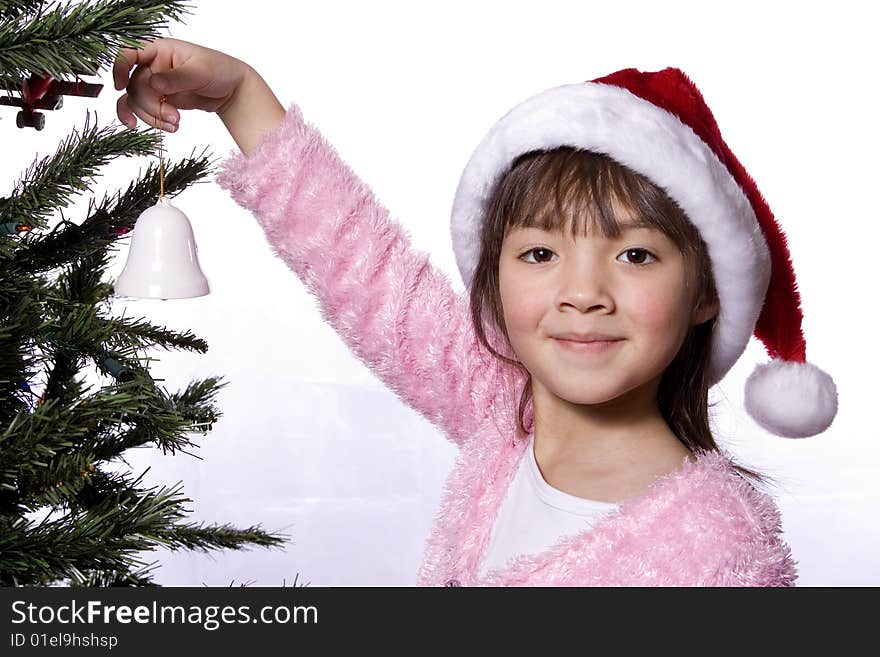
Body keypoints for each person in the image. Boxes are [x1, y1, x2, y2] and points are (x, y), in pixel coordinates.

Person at [114, 38, 838, 586]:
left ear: (706, 290)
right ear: (492, 279)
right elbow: (362, 268)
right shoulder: (505, 410)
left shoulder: (719, 547)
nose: (581, 293)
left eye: (636, 255)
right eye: (539, 254)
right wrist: (239, 92)